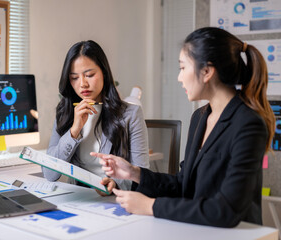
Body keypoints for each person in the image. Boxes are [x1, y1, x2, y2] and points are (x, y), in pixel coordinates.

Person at [91, 27, 275, 227]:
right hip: (199, 228)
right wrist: (134, 173)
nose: (179, 78)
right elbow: (183, 184)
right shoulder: (200, 118)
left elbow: (227, 210)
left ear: (206, 72)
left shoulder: (248, 124)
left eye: (182, 68)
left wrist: (151, 206)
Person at [44, 40, 150, 195]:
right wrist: (74, 131)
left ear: (104, 73)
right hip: (78, 198)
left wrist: (115, 183)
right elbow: (49, 174)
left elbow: (142, 172)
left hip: (114, 199)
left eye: (89, 75)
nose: (82, 84)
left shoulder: (131, 114)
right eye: (74, 78)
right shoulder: (65, 112)